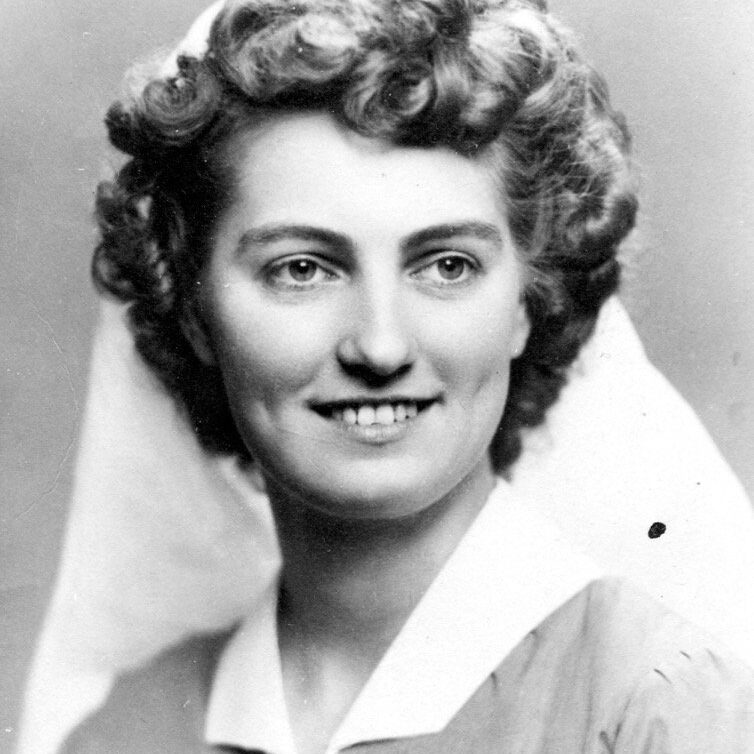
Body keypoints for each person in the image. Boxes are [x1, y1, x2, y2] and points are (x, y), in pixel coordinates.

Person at [19, 1, 754, 752]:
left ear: (527, 304)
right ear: (196, 306)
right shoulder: (126, 732)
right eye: (302, 268)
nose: (379, 345)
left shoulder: (656, 707)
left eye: (446, 265)